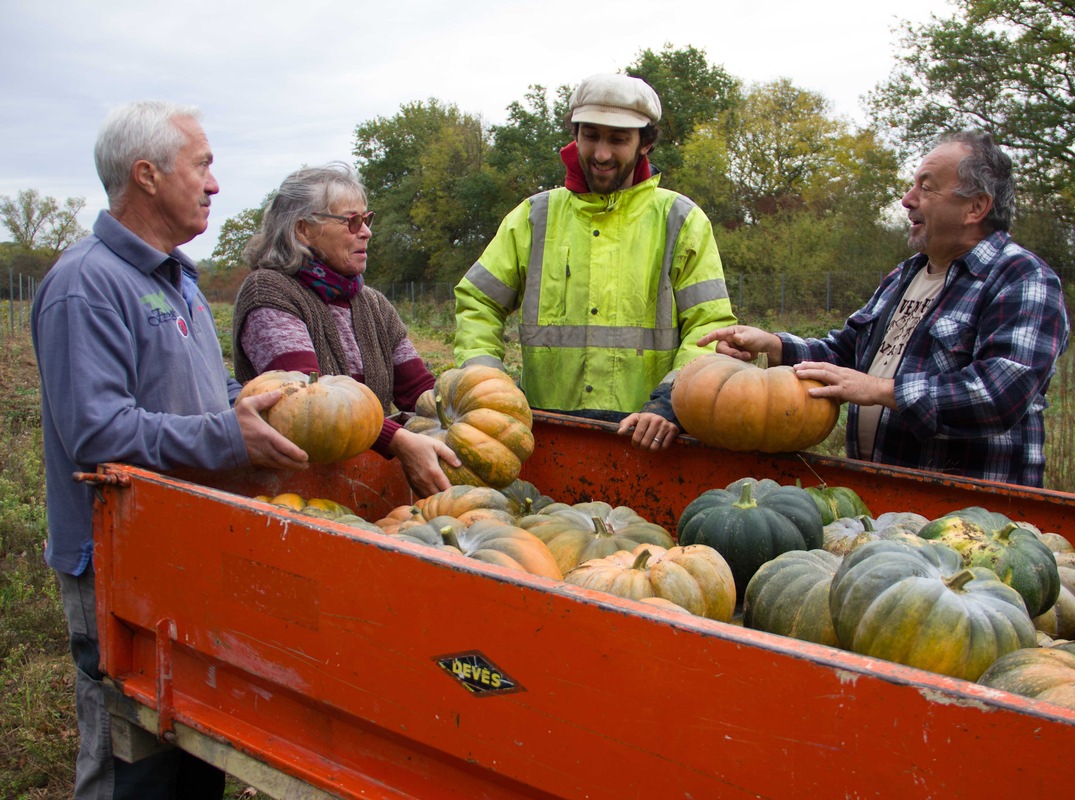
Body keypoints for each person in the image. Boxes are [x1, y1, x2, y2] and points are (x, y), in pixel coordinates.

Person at [32, 101, 309, 800]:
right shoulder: (85, 284)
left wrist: (241, 401)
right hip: (118, 559)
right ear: (147, 175)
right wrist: (226, 435)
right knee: (131, 754)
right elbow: (95, 433)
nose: (216, 184)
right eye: (204, 165)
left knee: (195, 741)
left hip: (184, 543)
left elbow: (196, 390)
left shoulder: (178, 277)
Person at [699, 130, 1069, 487]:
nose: (908, 199)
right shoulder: (905, 275)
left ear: (975, 207)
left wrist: (880, 390)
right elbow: (847, 354)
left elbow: (997, 394)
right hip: (885, 500)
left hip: (968, 519)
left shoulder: (1021, 278)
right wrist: (774, 345)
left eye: (926, 187)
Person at [453, 72, 738, 451]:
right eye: (591, 136)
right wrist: (485, 383)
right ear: (575, 135)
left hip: (650, 438)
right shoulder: (534, 216)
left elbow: (709, 327)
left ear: (644, 144)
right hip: (547, 432)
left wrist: (672, 401)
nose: (601, 154)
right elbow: (479, 301)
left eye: (618, 139)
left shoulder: (681, 220)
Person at [231, 163, 457, 498]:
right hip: (296, 494)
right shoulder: (269, 292)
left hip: (366, 486)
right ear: (304, 230)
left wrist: (463, 415)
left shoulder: (373, 304)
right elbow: (310, 407)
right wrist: (398, 439)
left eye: (367, 220)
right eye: (352, 221)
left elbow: (422, 394)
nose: (365, 232)